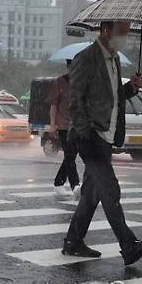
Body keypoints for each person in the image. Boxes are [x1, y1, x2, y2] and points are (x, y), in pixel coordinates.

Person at [63, 20, 142, 266]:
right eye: (122, 32)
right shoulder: (87, 57)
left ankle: (73, 241)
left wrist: (131, 88)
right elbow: (75, 99)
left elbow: (112, 98)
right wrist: (84, 133)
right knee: (110, 190)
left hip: (106, 135)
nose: (125, 37)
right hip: (90, 136)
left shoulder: (113, 59)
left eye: (127, 32)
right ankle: (128, 246)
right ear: (105, 31)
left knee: (92, 195)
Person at [50, 59, 80, 199]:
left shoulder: (82, 82)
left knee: (71, 155)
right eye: (71, 66)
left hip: (78, 125)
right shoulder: (59, 82)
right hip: (63, 125)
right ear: (68, 66)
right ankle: (75, 185)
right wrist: (52, 124)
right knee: (69, 155)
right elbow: (54, 104)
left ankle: (58, 182)